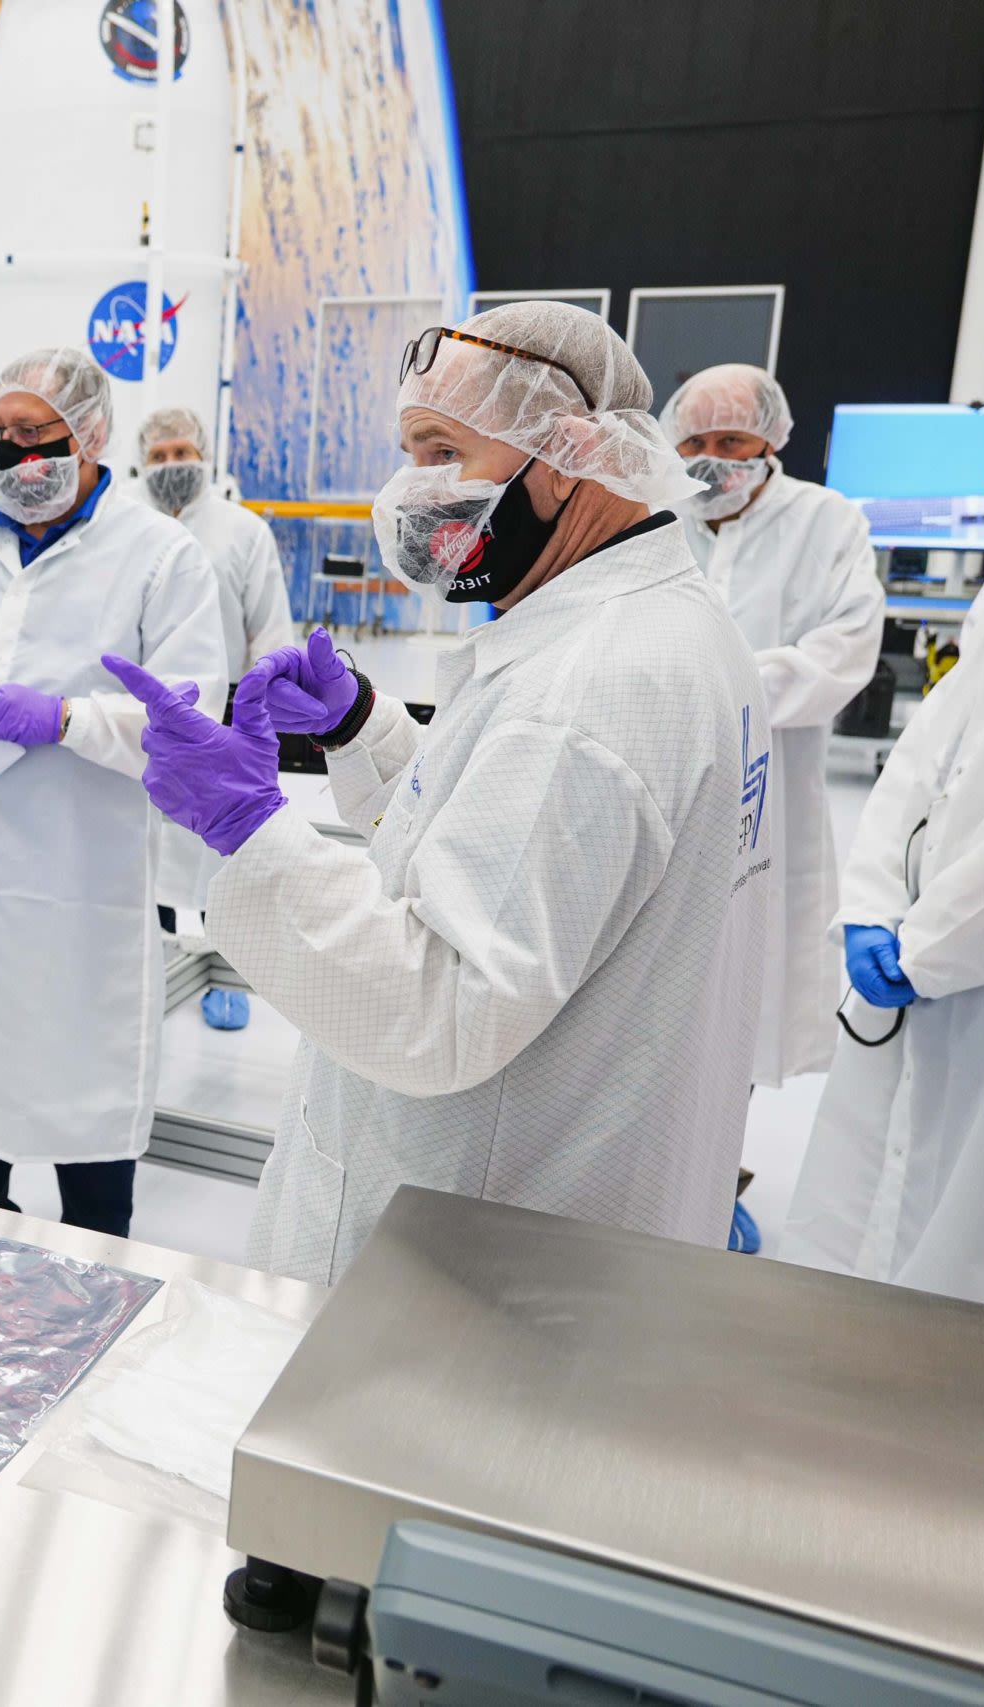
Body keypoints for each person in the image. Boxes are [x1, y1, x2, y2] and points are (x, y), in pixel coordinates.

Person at [104, 300, 771, 1285]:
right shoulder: (656, 627)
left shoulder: (586, 689)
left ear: (561, 456)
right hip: (553, 1212)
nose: (409, 490)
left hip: (466, 1255)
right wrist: (363, 728)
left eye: (438, 449)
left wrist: (243, 826)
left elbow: (440, 1007)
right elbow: (502, 846)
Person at [779, 332, 984, 1442]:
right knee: (881, 1222)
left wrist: (924, 945)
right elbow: (921, 763)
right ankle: (862, 1427)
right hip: (931, 962)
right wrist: (873, 900)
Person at [0, 347, 225, 1238]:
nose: (20, 455)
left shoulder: (158, 556)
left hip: (81, 879)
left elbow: (191, 711)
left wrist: (66, 718)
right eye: (4, 435)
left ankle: (99, 1273)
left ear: (93, 434)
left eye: (40, 435)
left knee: (83, 1087)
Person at [661, 364, 884, 1086]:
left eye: (734, 439)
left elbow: (846, 648)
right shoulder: (658, 524)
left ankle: (724, 1172)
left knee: (753, 978)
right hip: (663, 773)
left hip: (771, 787)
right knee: (661, 974)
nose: (714, 458)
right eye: (696, 440)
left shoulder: (826, 521)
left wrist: (721, 684)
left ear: (770, 440)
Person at [135, 404, 295, 1030]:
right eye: (159, 456)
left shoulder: (241, 531)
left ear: (204, 454)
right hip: (142, 719)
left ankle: (220, 976)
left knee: (221, 855)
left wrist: (261, 719)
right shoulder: (124, 531)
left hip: (223, 716)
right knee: (143, 850)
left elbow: (268, 628)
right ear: (140, 463)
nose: (173, 466)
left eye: (182, 452)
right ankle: (150, 966)